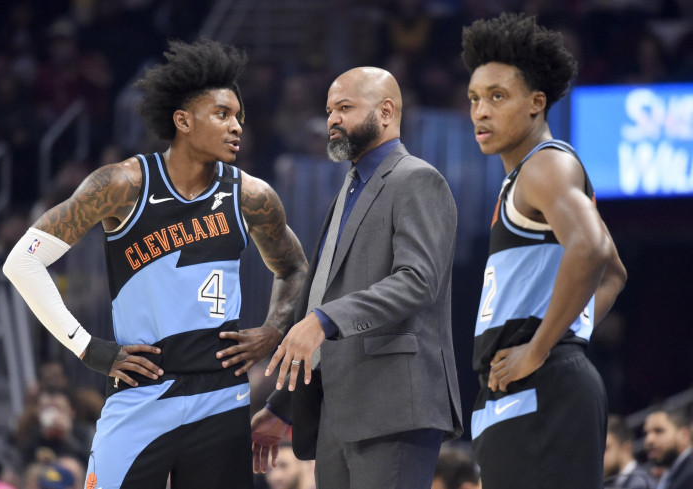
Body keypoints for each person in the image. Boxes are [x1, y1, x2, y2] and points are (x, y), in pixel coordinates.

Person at [3, 38, 307, 489]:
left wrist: (276, 327)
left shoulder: (251, 195)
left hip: (221, 397)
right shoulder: (122, 184)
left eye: (239, 117)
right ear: (182, 121)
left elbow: (295, 268)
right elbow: (22, 262)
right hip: (142, 392)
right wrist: (89, 348)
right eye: (223, 114)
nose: (237, 126)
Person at [251, 66, 463, 489]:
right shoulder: (349, 190)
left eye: (345, 107)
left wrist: (326, 320)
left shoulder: (416, 179)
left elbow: (417, 280)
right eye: (329, 110)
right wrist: (283, 406)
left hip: (394, 407)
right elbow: (318, 297)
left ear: (386, 112)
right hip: (338, 413)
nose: (332, 119)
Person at [461, 12, 627, 489]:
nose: (481, 111)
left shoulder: (545, 166)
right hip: (529, 386)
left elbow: (593, 249)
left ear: (537, 103)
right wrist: (567, 334)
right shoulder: (523, 176)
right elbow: (614, 273)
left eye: (497, 97)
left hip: (543, 386)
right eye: (474, 98)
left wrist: (543, 347)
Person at [643, 407, 693, 489]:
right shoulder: (671, 475)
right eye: (646, 433)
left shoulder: (690, 475)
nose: (649, 440)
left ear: (684, 435)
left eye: (659, 431)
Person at [604, 414, 655, 488]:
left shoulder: (640, 484)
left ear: (626, 449)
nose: (600, 457)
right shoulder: (615, 482)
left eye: (606, 449)